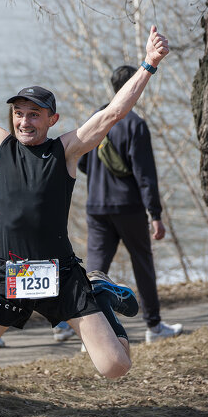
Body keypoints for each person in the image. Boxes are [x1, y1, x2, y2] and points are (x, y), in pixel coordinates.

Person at [0, 15, 169, 388]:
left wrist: (148, 64)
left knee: (116, 366)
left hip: (61, 274)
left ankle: (99, 294)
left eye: (34, 114)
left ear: (51, 119)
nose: (24, 121)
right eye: (18, 113)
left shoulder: (66, 150)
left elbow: (113, 113)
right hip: (8, 275)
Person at [78, 65, 183, 344]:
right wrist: (155, 215)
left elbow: (81, 160)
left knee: (95, 270)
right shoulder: (135, 124)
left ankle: (89, 332)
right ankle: (154, 326)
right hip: (128, 208)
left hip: (96, 206)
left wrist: (103, 179)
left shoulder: (97, 117)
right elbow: (145, 175)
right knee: (142, 264)